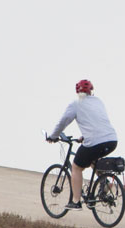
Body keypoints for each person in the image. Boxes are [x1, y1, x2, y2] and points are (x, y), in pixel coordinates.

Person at [47, 79, 118, 210]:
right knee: (92, 158)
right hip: (112, 140)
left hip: (96, 141)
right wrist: (85, 137)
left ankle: (75, 201)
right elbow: (98, 122)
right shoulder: (98, 102)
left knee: (76, 167)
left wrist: (54, 136)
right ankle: (105, 183)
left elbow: (63, 122)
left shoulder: (75, 104)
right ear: (91, 91)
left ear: (77, 92)